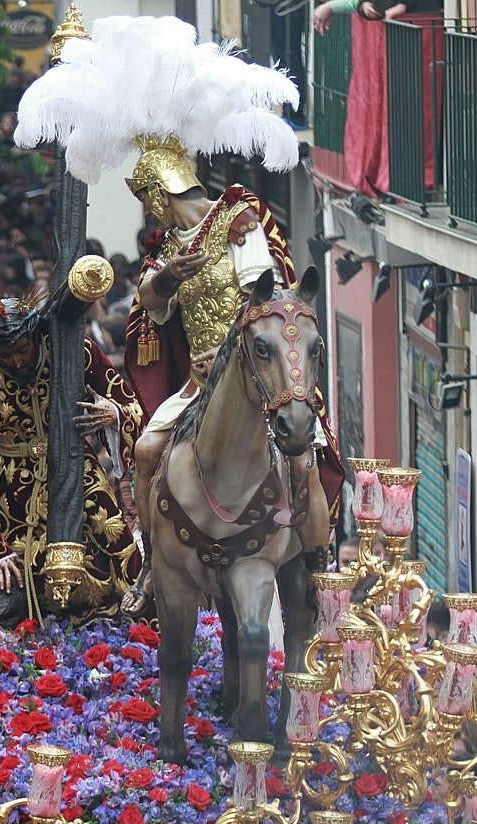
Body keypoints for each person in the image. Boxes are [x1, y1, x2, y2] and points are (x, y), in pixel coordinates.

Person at [122, 135, 341, 611]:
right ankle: (151, 562)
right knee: (145, 451)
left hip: (260, 375)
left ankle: (319, 565)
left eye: (145, 198)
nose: (148, 210)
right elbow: (150, 303)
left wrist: (234, 352)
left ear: (161, 189)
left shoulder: (236, 218)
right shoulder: (167, 251)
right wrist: (170, 276)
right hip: (201, 384)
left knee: (303, 461)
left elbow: (259, 297)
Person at [0, 288, 142, 622]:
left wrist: (112, 415)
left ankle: (122, 636)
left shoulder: (76, 354)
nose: (17, 361)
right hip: (8, 492)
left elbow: (132, 406)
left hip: (76, 472)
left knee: (119, 564)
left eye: (22, 349)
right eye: (5, 353)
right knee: (3, 586)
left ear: (37, 335)